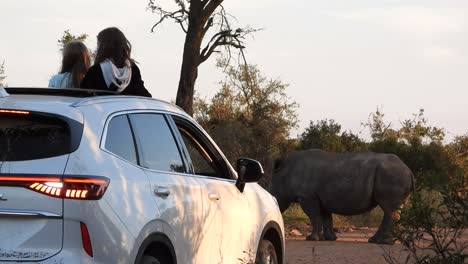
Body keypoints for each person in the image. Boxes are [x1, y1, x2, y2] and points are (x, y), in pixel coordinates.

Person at [80, 27, 152, 97]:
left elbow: (82, 95)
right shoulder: (132, 68)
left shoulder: (96, 70)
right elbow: (144, 95)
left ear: (102, 47)